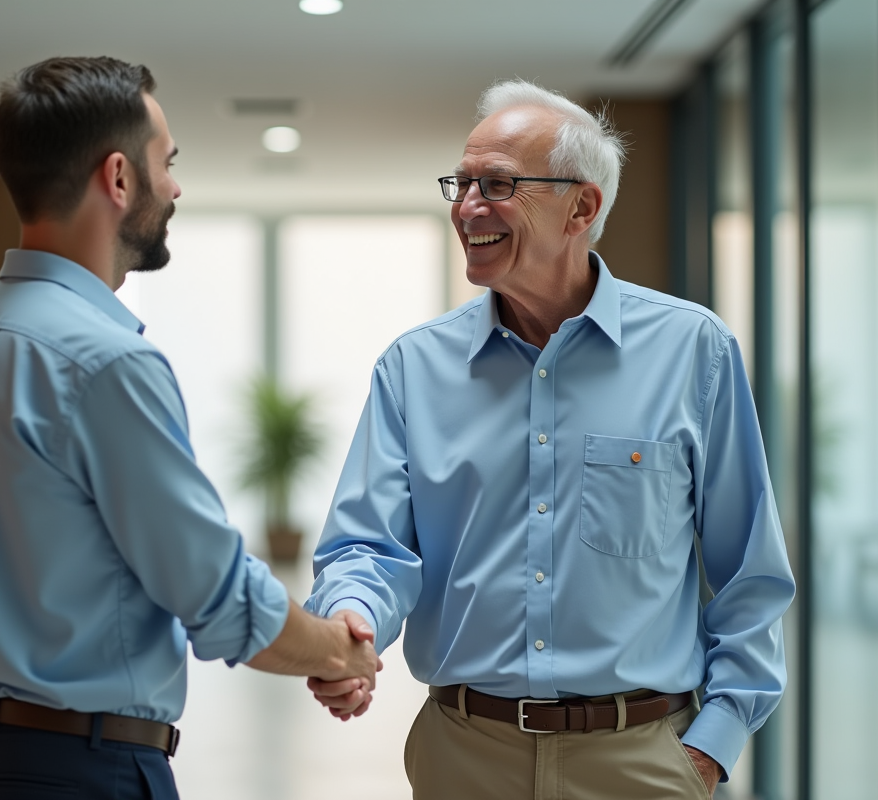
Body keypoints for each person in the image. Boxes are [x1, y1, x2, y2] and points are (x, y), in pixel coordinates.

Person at [0, 56, 378, 800]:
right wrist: (339, 651)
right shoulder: (105, 364)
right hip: (75, 771)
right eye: (168, 162)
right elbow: (214, 591)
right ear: (119, 178)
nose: (177, 186)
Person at [304, 80, 795, 799]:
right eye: (462, 183)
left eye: (498, 184)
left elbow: (750, 573)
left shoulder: (694, 352)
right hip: (463, 757)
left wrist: (712, 745)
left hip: (642, 762)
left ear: (582, 207)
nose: (467, 206)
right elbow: (366, 548)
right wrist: (350, 624)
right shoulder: (414, 368)